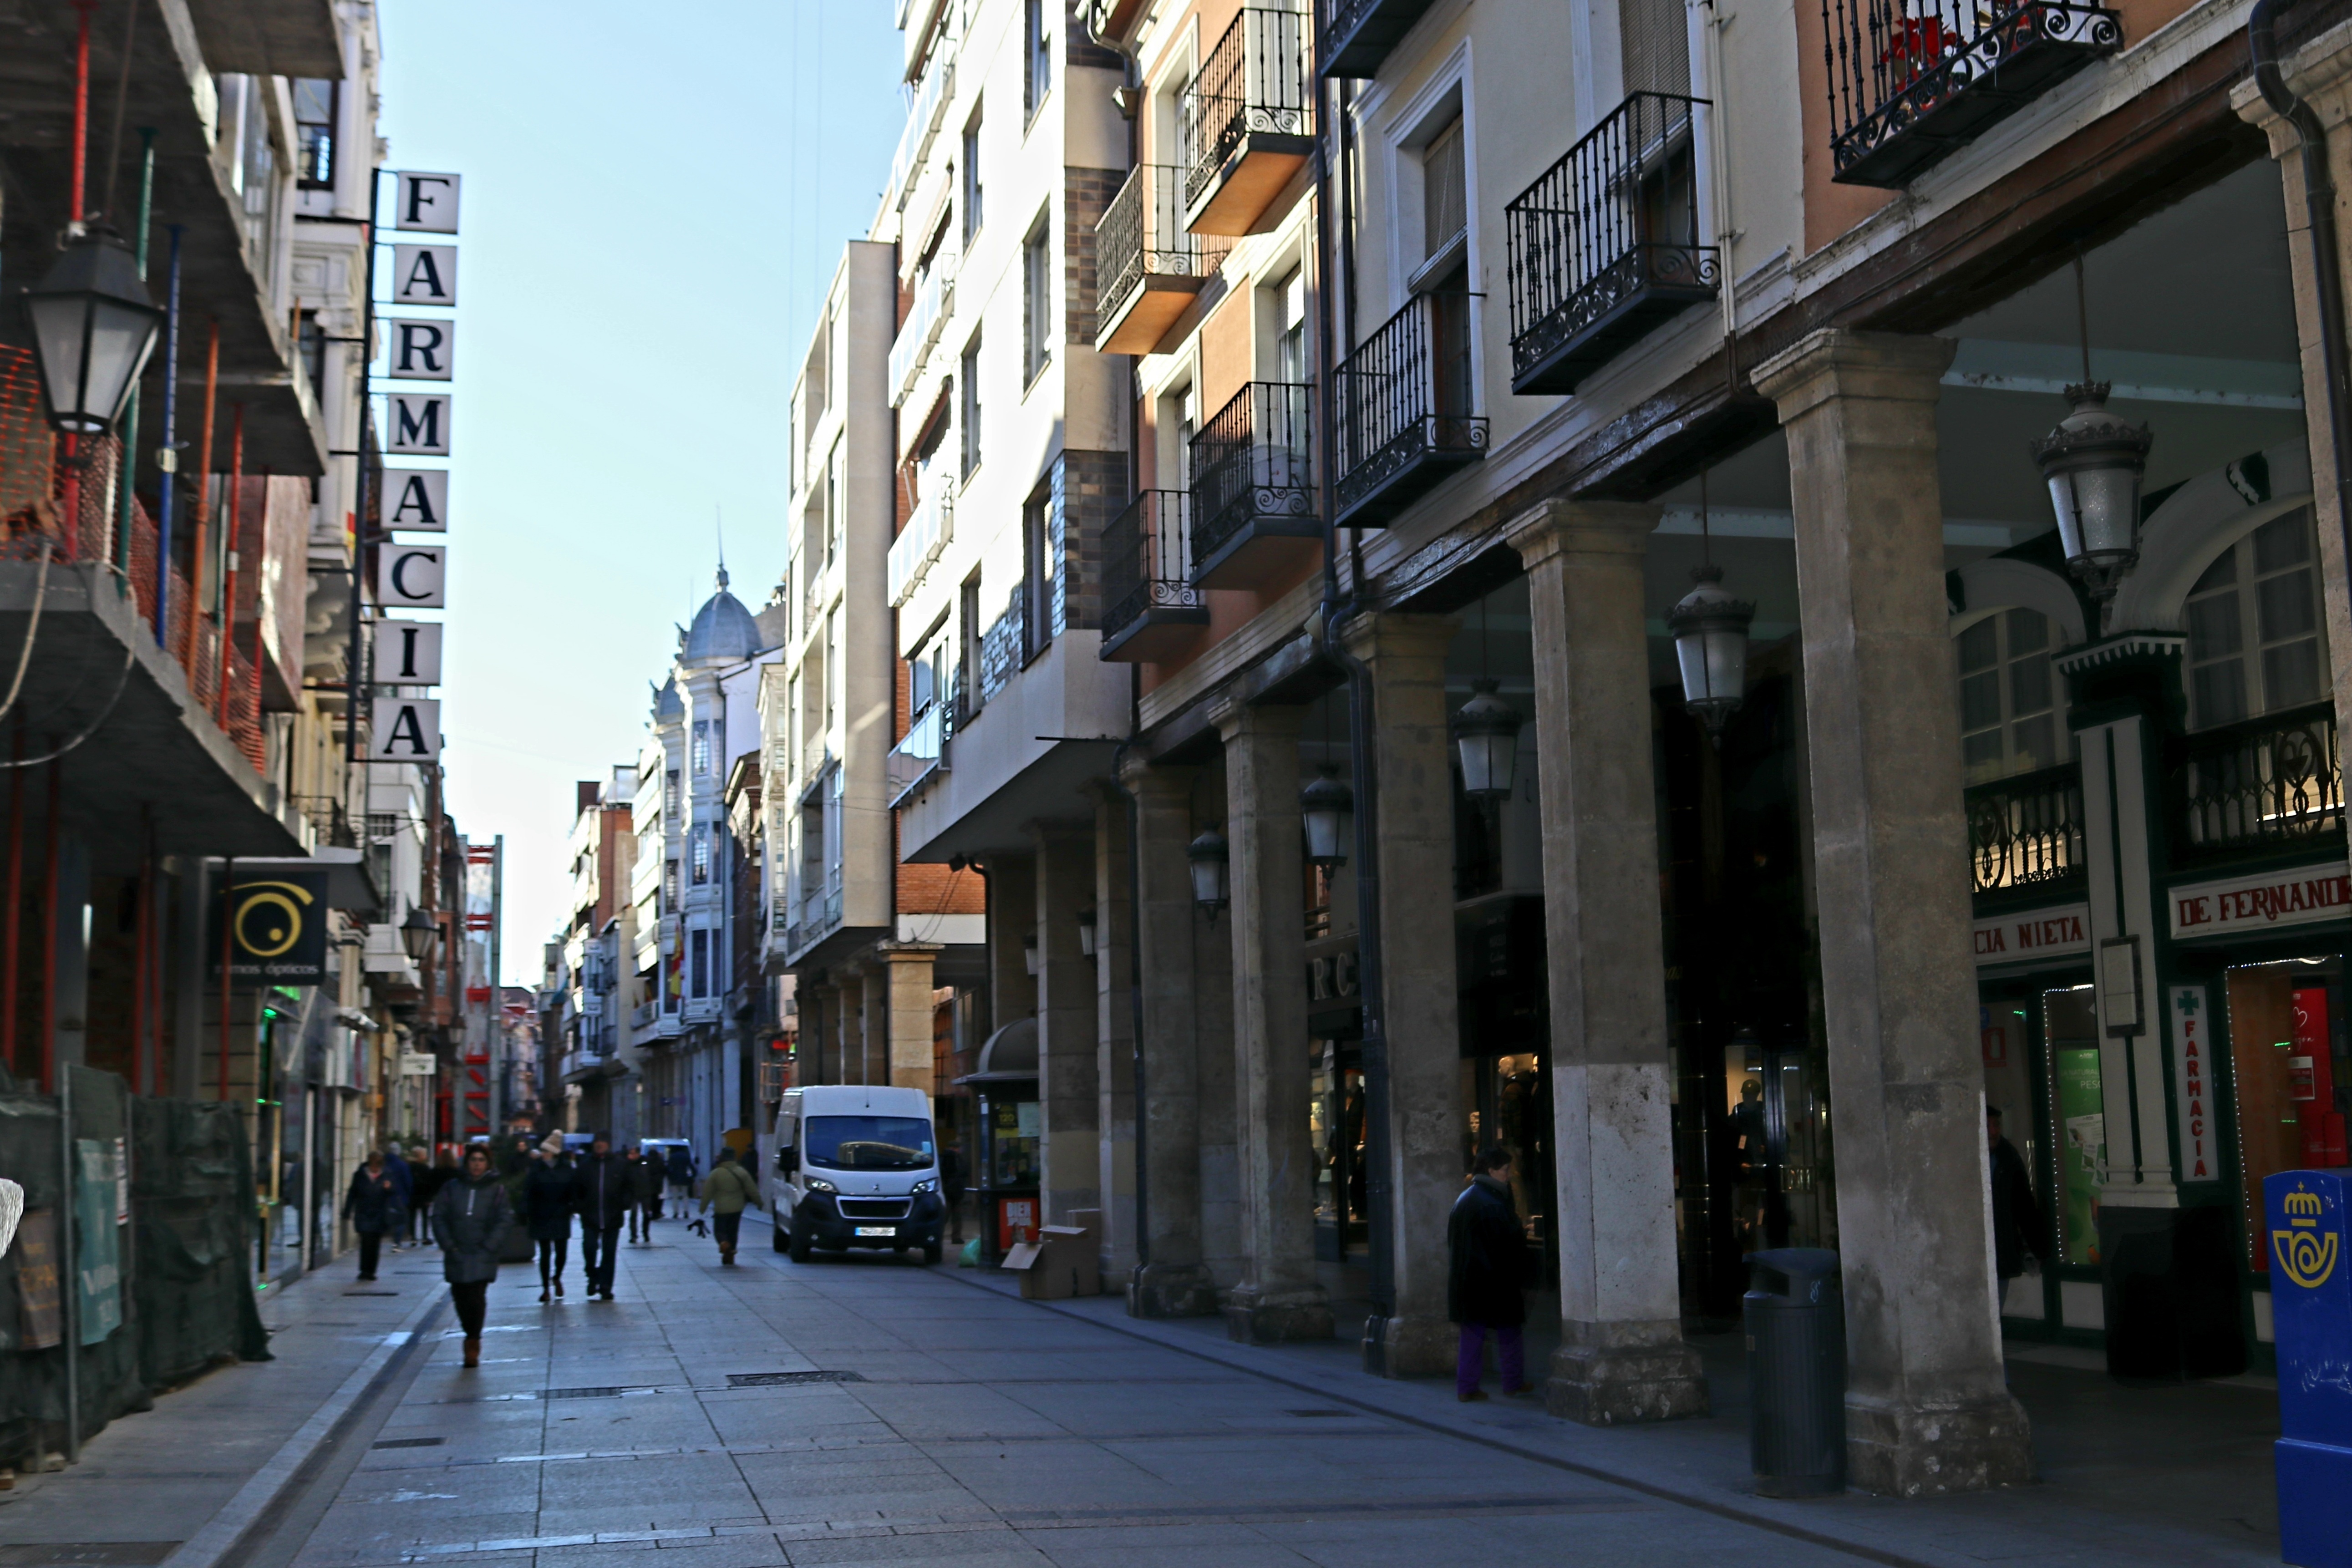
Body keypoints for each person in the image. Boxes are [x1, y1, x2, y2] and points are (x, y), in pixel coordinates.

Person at [1448, 1143, 1533, 1403]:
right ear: (1492, 1170)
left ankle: (1467, 1386)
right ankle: (1513, 1383)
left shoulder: (1466, 1198)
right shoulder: (1492, 1203)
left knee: (1473, 1335)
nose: (1508, 1175)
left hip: (1469, 1279)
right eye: (1505, 1170)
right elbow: (1507, 1244)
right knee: (1509, 1332)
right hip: (1495, 1279)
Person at [430, 1144, 513, 1369]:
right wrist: (448, 1244)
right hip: (457, 1251)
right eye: (473, 1160)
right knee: (461, 1296)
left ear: (487, 1164)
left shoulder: (496, 1190)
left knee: (476, 1296)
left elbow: (504, 1219)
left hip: (482, 1252)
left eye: (481, 1160)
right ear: (466, 1162)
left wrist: (490, 1245)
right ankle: (470, 1332)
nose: (477, 1164)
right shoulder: (452, 1188)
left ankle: (473, 1341)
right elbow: (439, 1216)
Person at [1988, 1106, 2051, 1308]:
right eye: (1988, 1125)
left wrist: (2037, 1248)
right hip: (1973, 1254)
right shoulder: (1965, 1159)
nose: (1994, 1131)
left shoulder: (2008, 1158)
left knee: (1994, 1313)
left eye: (1996, 1125)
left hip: (2001, 1250)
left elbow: (2024, 1205)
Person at [570, 1134, 631, 1300]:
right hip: (590, 1215)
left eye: (603, 1143)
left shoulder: (620, 1165)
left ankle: (606, 1286)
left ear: (608, 1145)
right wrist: (579, 1206)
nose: (600, 1145)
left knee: (609, 1252)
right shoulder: (585, 1166)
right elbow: (576, 1188)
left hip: (613, 1215)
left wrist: (624, 1203)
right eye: (597, 1143)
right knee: (589, 1248)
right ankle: (592, 1275)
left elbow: (628, 1186)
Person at [523, 1134, 576, 1303]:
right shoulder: (537, 1168)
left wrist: (572, 1206)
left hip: (561, 1213)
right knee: (545, 1254)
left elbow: (573, 1189)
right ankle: (545, 1288)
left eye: (546, 1150)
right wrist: (527, 1211)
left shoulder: (566, 1168)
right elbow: (529, 1191)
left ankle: (557, 1276)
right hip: (541, 1214)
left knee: (562, 1252)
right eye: (543, 1150)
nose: (543, 1153)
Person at [341, 1150, 402, 1282]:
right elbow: (353, 1193)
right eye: (373, 1166)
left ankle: (372, 1271)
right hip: (364, 1213)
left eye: (377, 1167)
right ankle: (364, 1270)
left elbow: (395, 1191)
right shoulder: (360, 1175)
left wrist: (389, 1188)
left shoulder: (387, 1175)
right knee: (366, 1242)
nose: (375, 1170)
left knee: (375, 1243)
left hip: (380, 1213)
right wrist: (347, 1210)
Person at [699, 1146, 762, 1265]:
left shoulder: (716, 1173)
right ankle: (731, 1254)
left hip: (721, 1208)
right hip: (737, 1208)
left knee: (720, 1230)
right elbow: (752, 1190)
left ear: (722, 1158)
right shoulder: (742, 1172)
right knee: (733, 1231)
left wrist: (703, 1208)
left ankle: (723, 1243)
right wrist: (759, 1203)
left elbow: (708, 1192)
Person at [380, 1142, 414, 1251]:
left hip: (384, 1197)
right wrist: (409, 1195)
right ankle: (397, 1242)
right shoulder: (402, 1165)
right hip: (400, 1196)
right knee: (401, 1220)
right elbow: (408, 1182)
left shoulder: (383, 1164)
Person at [626, 1146, 662, 1243]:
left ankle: (646, 1233)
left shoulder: (646, 1162)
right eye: (630, 1154)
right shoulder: (628, 1164)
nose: (631, 1156)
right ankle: (633, 1235)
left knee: (646, 1214)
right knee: (633, 1214)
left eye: (633, 1154)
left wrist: (655, 1189)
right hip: (633, 1193)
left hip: (646, 1192)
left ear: (638, 1154)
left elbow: (654, 1175)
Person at [940, 1138, 967, 1245]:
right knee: (955, 1217)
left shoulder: (945, 1158)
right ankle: (956, 1237)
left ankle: (944, 1236)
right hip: (954, 1191)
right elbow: (963, 1173)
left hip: (949, 1191)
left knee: (948, 1217)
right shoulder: (957, 1159)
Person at [406, 1146, 434, 1242]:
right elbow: (430, 1184)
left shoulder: (409, 1167)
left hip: (412, 1195)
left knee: (412, 1217)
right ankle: (425, 1237)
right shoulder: (425, 1168)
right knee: (425, 1217)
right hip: (423, 1196)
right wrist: (429, 1198)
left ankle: (413, 1237)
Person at [664, 1142, 697, 1213]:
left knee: (675, 1196)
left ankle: (676, 1212)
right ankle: (686, 1211)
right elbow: (692, 1168)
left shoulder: (672, 1157)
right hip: (685, 1179)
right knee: (685, 1196)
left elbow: (669, 1168)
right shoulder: (686, 1157)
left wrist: (669, 1177)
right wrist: (692, 1177)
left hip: (674, 1179)